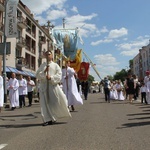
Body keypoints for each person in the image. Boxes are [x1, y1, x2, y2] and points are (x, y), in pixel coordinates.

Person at [36, 50, 71, 126]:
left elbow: (59, 75)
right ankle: (47, 119)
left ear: (52, 56)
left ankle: (54, 117)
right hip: (44, 87)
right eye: (46, 54)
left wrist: (51, 78)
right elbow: (37, 75)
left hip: (52, 86)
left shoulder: (55, 65)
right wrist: (44, 72)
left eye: (49, 54)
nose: (48, 56)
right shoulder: (42, 65)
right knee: (44, 104)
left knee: (54, 102)